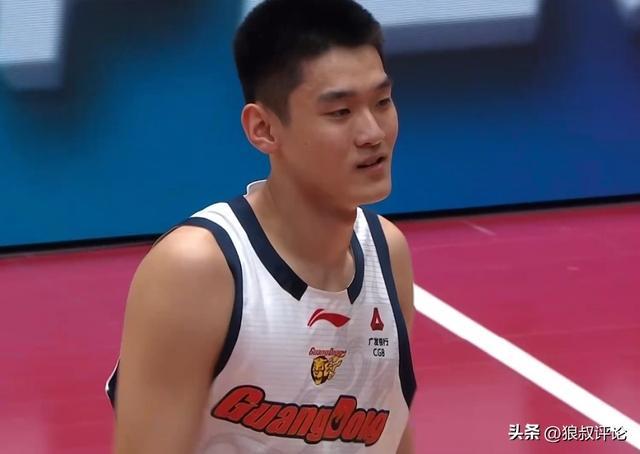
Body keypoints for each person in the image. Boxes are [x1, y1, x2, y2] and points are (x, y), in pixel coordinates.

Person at [107, 0, 417, 452]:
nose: (373, 133)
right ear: (263, 129)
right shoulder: (197, 270)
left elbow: (391, 433)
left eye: (382, 102)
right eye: (340, 112)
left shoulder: (388, 252)